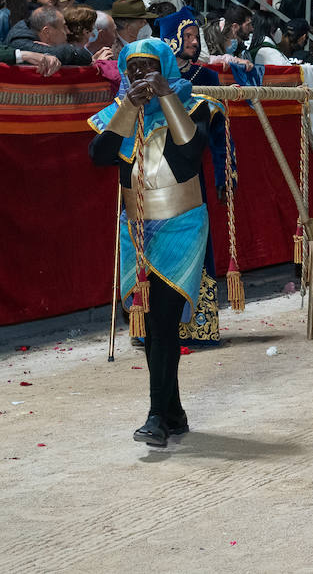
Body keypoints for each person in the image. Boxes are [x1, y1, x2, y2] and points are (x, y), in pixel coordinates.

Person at [87, 39, 215, 447]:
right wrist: (129, 107)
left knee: (162, 320)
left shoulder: (196, 106)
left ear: (165, 67)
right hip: (137, 229)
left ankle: (156, 416)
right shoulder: (120, 111)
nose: (141, 74)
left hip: (182, 225)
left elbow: (190, 153)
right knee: (153, 323)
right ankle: (172, 412)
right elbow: (100, 155)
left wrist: (165, 98)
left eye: (149, 67)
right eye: (133, 68)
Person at [156, 6, 232, 345]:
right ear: (170, 39)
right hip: (155, 173)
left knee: (195, 243)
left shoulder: (207, 78)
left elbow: (219, 133)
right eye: (186, 36)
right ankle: (153, 327)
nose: (194, 42)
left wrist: (224, 172)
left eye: (195, 36)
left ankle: (198, 326)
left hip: (191, 171)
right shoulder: (151, 78)